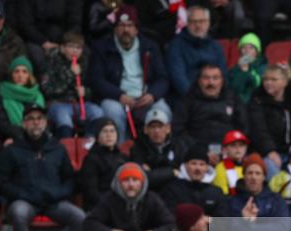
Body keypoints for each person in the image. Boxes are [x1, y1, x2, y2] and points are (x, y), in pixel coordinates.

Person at [0, 103, 83, 231]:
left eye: (40, 118)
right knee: (19, 213)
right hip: (25, 201)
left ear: (45, 123)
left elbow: (70, 180)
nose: (36, 122)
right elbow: (3, 183)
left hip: (53, 202)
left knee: (80, 217)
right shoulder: (12, 149)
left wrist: (57, 194)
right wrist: (24, 195)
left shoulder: (57, 148)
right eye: (31, 119)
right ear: (24, 124)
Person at [88, 6, 170, 140]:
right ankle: (118, 152)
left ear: (136, 29)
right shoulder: (101, 48)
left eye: (130, 25)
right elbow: (97, 80)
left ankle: (158, 152)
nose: (125, 30)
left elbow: (163, 78)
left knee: (163, 111)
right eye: (121, 25)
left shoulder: (150, 46)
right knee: (112, 112)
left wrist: (152, 95)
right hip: (116, 97)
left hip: (145, 96)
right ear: (115, 29)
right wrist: (119, 95)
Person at [84, 161, 174, 231]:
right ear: (119, 183)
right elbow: (90, 224)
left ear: (142, 183)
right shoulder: (109, 199)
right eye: (126, 180)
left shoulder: (152, 199)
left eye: (135, 180)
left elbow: (170, 225)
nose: (131, 185)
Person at [248, 63, 291, 179]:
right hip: (268, 152)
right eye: (265, 79)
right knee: (270, 165)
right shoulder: (257, 100)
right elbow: (259, 130)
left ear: (285, 82)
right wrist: (269, 150)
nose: (268, 83)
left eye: (273, 79)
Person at [225, 153, 291, 231]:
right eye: (250, 173)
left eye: (258, 173)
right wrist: (244, 221)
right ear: (244, 176)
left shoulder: (276, 200)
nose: (253, 177)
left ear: (263, 177)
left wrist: (251, 226)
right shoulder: (233, 201)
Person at [41, 31, 104, 139]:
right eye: (71, 47)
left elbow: (93, 87)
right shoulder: (52, 61)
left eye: (78, 48)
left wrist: (85, 91)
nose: (75, 51)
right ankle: (67, 148)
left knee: (97, 112)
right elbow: (47, 90)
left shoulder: (84, 62)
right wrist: (70, 74)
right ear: (62, 48)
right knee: (63, 118)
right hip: (58, 104)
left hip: (80, 105)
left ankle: (88, 145)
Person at [171, 63, 247, 149]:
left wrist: (231, 147)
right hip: (196, 155)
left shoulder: (233, 99)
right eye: (206, 78)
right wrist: (198, 151)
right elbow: (178, 130)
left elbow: (243, 127)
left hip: (228, 152)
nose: (211, 83)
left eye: (215, 78)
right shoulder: (187, 101)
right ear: (199, 80)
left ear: (222, 80)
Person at [164, 5, 228, 97]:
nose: (198, 25)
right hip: (187, 99)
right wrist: (198, 100)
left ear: (208, 23)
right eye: (193, 21)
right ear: (187, 23)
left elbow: (223, 76)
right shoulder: (176, 46)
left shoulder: (215, 46)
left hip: (215, 97)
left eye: (201, 21)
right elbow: (178, 80)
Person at [129, 107, 188, 197]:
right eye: (152, 127)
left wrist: (153, 172)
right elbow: (143, 178)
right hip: (147, 195)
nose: (156, 131)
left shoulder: (179, 146)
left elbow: (183, 174)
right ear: (145, 129)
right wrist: (171, 172)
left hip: (175, 193)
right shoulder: (137, 148)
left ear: (168, 128)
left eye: (160, 126)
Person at [15, 0, 83, 75]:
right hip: (36, 40)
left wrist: (65, 44)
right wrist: (43, 42)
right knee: (37, 56)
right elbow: (25, 24)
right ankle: (45, 83)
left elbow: (75, 22)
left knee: (81, 52)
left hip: (64, 41)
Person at [0, 56, 43, 146]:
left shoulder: (37, 96)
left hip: (34, 137)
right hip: (6, 138)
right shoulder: (0, 95)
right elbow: (1, 124)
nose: (20, 75)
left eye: (24, 72)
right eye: (16, 71)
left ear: (29, 75)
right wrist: (22, 136)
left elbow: (43, 121)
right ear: (11, 75)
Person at [163, 143, 228, 215]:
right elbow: (170, 218)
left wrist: (206, 222)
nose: (198, 168)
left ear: (207, 168)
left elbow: (223, 222)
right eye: (193, 163)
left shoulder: (216, 192)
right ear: (185, 166)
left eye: (202, 164)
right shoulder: (172, 190)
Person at [80, 118, 127, 211]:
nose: (109, 135)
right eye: (105, 131)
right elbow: (91, 192)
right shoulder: (91, 159)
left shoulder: (124, 158)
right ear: (98, 136)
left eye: (112, 131)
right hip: (100, 207)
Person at [226, 32, 266, 104]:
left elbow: (257, 83)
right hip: (235, 102)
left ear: (257, 51)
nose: (247, 51)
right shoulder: (235, 68)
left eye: (251, 48)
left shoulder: (262, 66)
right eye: (244, 47)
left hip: (254, 102)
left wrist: (246, 71)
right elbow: (231, 85)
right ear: (240, 51)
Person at [212, 129, 249, 196]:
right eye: (233, 145)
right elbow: (222, 196)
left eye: (241, 145)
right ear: (224, 149)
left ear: (246, 148)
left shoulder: (250, 166)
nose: (238, 148)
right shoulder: (220, 168)